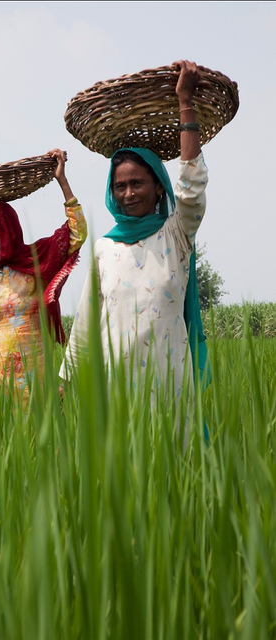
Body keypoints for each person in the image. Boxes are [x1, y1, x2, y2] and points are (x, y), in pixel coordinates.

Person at [60, 60, 211, 426]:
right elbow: (85, 321)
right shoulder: (105, 249)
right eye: (119, 185)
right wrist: (65, 382)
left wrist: (185, 103)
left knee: (175, 470)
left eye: (137, 183)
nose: (127, 193)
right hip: (116, 389)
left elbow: (192, 188)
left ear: (158, 185)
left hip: (171, 384)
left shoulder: (175, 235)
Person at [0, 148, 87, 394]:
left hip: (31, 381)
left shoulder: (33, 259)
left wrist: (62, 181)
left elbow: (77, 234)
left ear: (9, 226)